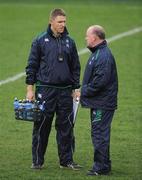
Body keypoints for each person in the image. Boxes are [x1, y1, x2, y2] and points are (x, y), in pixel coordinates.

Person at [25, 8, 81, 170]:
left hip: (65, 91)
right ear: (51, 22)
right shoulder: (40, 41)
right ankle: (37, 161)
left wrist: (75, 88)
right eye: (60, 22)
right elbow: (32, 66)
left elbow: (75, 67)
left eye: (64, 22)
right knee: (42, 126)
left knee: (66, 127)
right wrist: (30, 89)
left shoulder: (70, 42)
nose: (63, 25)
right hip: (45, 90)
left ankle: (66, 160)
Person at [80, 25, 118, 176]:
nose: (86, 38)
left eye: (87, 36)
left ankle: (100, 167)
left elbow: (99, 82)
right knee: (100, 132)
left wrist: (82, 92)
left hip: (102, 103)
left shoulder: (103, 56)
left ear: (94, 37)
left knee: (99, 133)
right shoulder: (98, 53)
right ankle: (105, 164)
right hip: (100, 102)